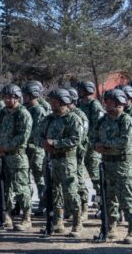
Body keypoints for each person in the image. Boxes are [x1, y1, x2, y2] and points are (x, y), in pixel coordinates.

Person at [96, 88, 132, 245]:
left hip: (123, 165)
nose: (106, 104)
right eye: (106, 101)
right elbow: (93, 138)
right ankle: (110, 228)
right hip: (107, 164)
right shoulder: (103, 120)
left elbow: (125, 142)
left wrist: (104, 145)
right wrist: (97, 146)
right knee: (108, 199)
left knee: (127, 198)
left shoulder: (126, 120)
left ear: (119, 103)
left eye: (109, 102)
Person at [41, 87, 85, 237]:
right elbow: (37, 135)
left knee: (71, 192)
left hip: (67, 160)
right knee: (53, 192)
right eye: (51, 101)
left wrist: (55, 143)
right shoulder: (48, 119)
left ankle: (77, 222)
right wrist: (44, 143)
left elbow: (75, 139)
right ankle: (57, 222)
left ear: (64, 102)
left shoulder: (73, 119)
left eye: (56, 102)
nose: (53, 104)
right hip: (50, 160)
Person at [0, 84, 33, 231]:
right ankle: (6, 216)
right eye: (6, 97)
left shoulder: (23, 114)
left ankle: (26, 217)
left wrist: (6, 147)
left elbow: (23, 137)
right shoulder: (1, 113)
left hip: (17, 157)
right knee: (4, 188)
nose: (8, 100)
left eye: (11, 97)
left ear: (17, 98)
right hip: (1, 156)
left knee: (21, 188)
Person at [77, 81, 106, 211]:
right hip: (82, 145)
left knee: (96, 176)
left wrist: (91, 141)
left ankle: (101, 200)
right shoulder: (80, 104)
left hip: (91, 146)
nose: (79, 91)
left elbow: (97, 125)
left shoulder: (95, 105)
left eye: (81, 89)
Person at [23, 82, 49, 214]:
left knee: (39, 176)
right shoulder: (26, 108)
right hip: (27, 148)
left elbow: (38, 131)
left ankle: (43, 203)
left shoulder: (39, 110)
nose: (24, 97)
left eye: (26, 95)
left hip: (36, 149)